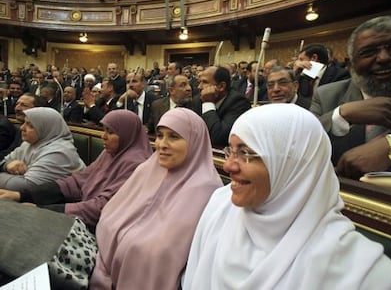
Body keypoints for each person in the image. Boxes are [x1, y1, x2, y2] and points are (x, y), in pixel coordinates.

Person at [182, 104, 391, 289]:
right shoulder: (221, 207)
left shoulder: (370, 278)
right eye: (231, 151)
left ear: (293, 167)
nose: (229, 165)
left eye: (246, 153)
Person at [90, 108, 223, 289]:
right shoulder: (148, 169)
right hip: (102, 271)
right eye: (160, 136)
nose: (162, 144)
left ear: (194, 141)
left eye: (174, 137)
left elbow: (162, 251)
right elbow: (109, 216)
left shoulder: (206, 190)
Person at [0, 110, 152, 229]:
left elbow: (103, 207)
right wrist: (21, 196)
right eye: (104, 130)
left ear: (127, 135)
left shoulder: (135, 164)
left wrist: (43, 209)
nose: (103, 136)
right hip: (83, 217)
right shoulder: (111, 152)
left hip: (105, 229)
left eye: (110, 132)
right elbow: (77, 181)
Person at [310, 15, 391, 179]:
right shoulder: (326, 95)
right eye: (369, 52)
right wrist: (341, 114)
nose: (384, 58)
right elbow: (303, 142)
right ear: (350, 64)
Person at [0, 107, 85, 192]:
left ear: (46, 128)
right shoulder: (29, 144)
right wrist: (7, 165)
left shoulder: (60, 152)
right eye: (24, 123)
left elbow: (24, 186)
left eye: (30, 125)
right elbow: (3, 162)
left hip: (64, 203)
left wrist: (7, 172)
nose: (22, 128)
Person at [195, 66, 251, 147]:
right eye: (199, 82)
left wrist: (208, 103)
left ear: (221, 86)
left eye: (205, 82)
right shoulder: (198, 100)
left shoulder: (239, 102)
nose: (199, 87)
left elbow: (218, 138)